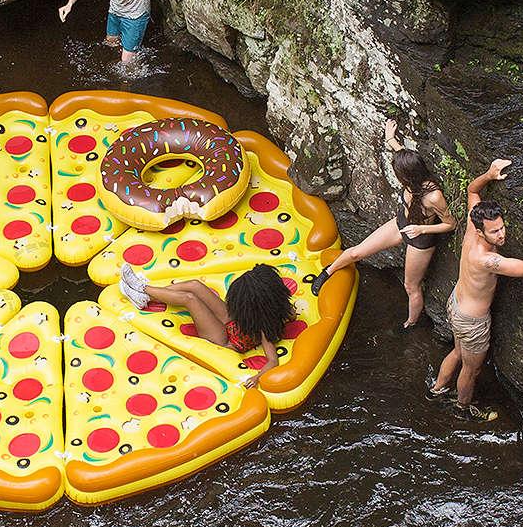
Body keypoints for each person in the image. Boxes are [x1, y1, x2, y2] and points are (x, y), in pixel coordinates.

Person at [427, 158, 523, 420]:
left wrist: (490, 174)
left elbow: (472, 190)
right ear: (481, 233)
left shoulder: (474, 223)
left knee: (458, 352)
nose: (501, 235)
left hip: (456, 304)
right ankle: (462, 408)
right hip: (472, 321)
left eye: (502, 227)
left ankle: (436, 390)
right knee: (471, 370)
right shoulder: (487, 260)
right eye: (494, 232)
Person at [311, 119, 455, 327]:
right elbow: (401, 154)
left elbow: (451, 224)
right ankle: (327, 272)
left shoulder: (433, 196)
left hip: (420, 239)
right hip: (402, 223)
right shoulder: (410, 166)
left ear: (407, 176)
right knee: (356, 253)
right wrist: (390, 138)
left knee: (410, 286)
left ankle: (410, 323)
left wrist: (421, 228)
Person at [120, 261, 294, 386]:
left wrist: (257, 377)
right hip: (234, 322)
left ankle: (142, 288)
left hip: (226, 339)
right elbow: (291, 314)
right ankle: (144, 296)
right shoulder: (273, 308)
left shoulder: (264, 324)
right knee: (195, 285)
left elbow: (272, 360)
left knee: (190, 299)